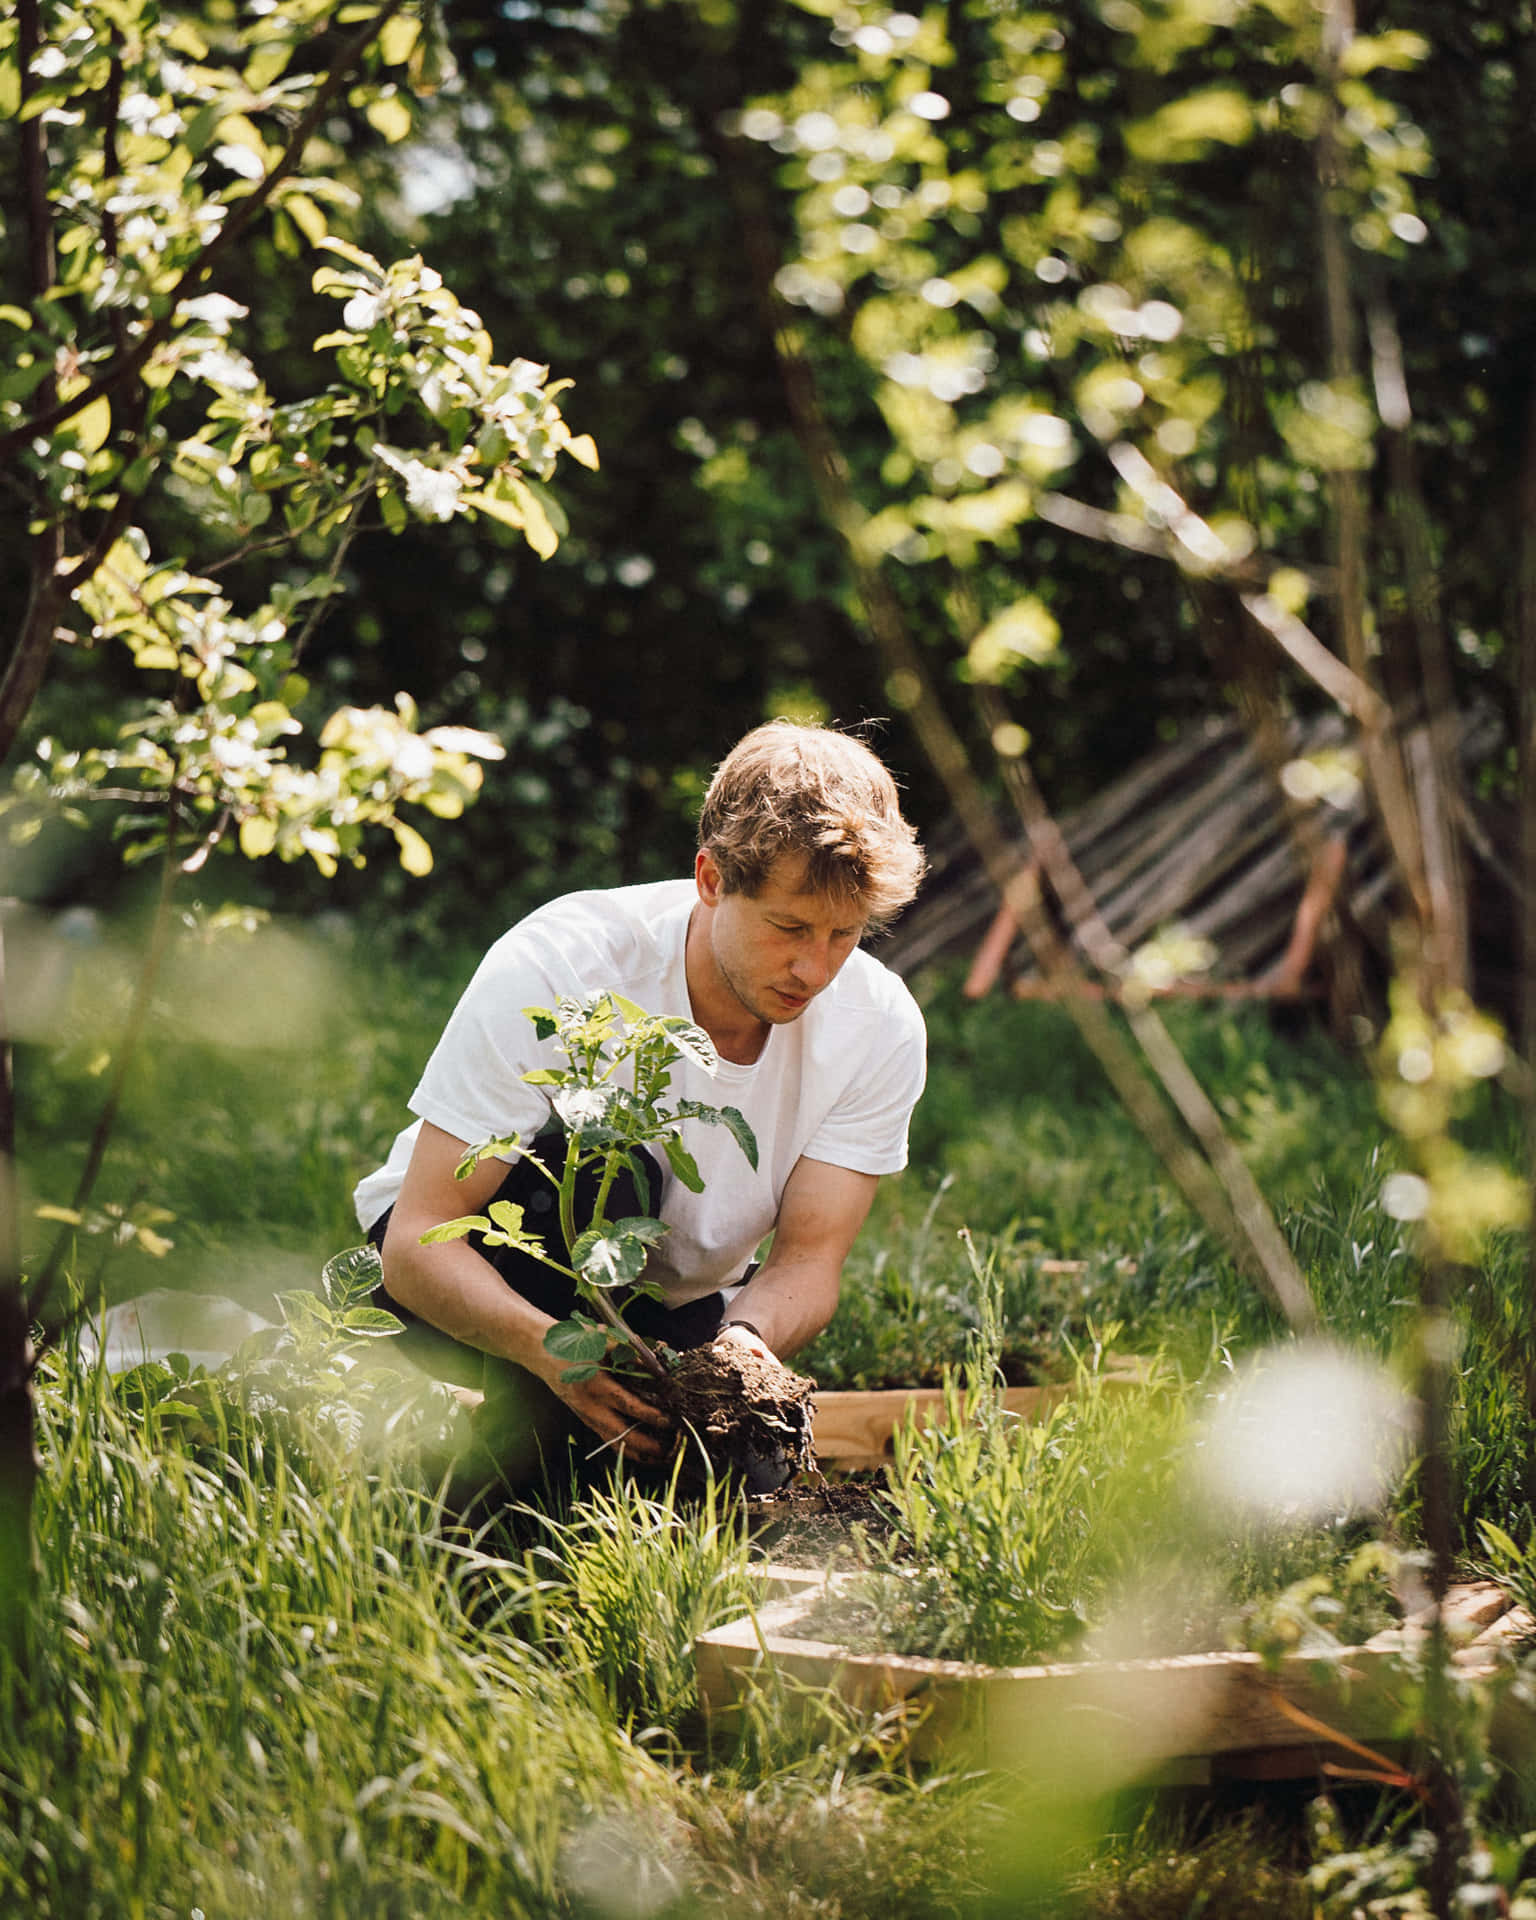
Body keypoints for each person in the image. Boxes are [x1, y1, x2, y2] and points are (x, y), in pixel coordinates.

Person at [354, 719, 927, 1491]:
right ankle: (494, 1462)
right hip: (473, 1268)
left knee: (738, 1478)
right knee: (607, 1172)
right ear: (712, 878)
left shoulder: (878, 1026)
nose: (813, 966)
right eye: (789, 927)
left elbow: (807, 1262)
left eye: (843, 936)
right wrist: (552, 1350)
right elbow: (420, 1237)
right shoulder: (562, 965)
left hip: (665, 1308)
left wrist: (747, 1347)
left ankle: (552, 1457)